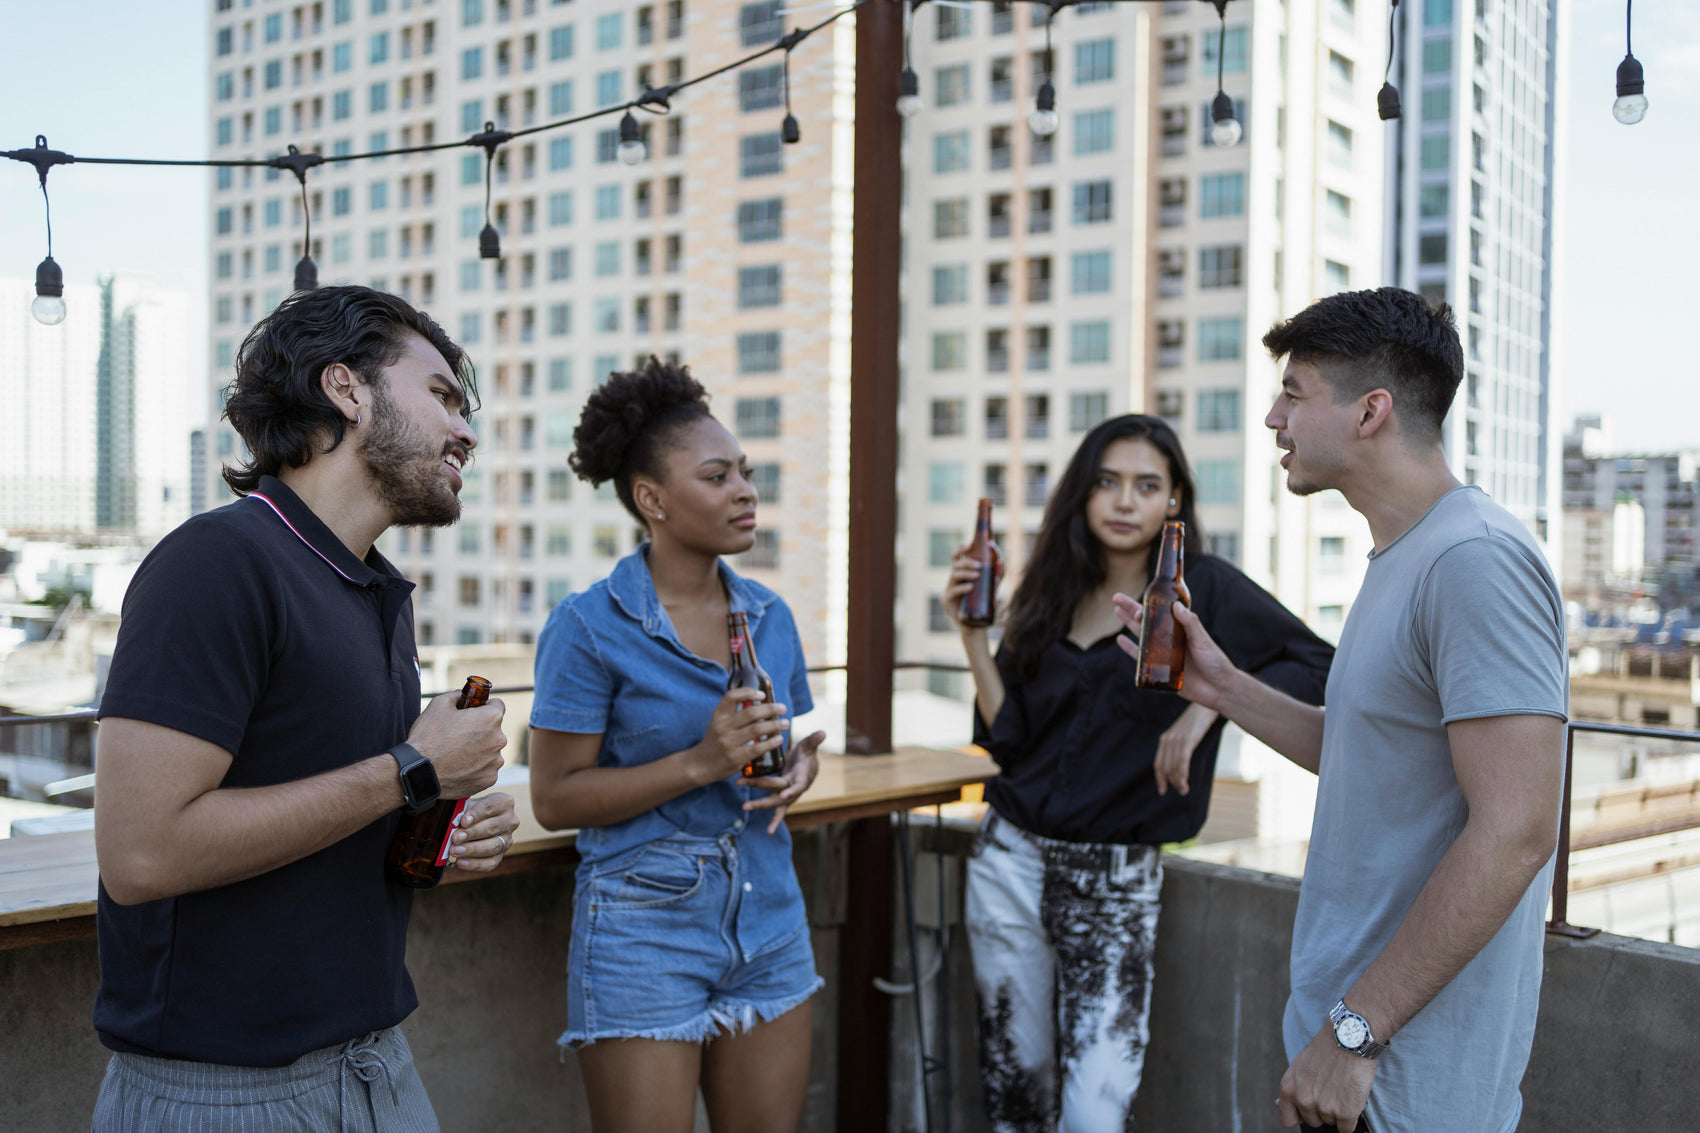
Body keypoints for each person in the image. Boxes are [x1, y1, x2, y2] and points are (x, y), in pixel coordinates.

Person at [1116, 289, 1567, 1133]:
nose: (1271, 415)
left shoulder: (1476, 561)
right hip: (1344, 1056)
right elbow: (1367, 753)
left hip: (1401, 1080)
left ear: (1370, 411)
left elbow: (1517, 830)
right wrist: (1219, 686)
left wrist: (1357, 1032)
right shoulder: (1402, 554)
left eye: (1294, 390)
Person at [91, 285, 519, 1132]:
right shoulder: (216, 561)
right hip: (225, 1096)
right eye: (440, 394)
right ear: (347, 389)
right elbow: (140, 853)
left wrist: (433, 826)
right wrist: (411, 769)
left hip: (374, 1066)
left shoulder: (368, 589)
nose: (466, 429)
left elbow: (334, 806)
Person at [943, 414, 1334, 1131]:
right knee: (1013, 1091)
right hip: (1009, 860)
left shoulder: (1202, 588)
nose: (1125, 501)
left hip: (1115, 878)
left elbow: (1316, 664)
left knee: (1095, 1108)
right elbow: (1009, 739)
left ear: (1175, 500)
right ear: (1082, 496)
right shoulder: (1051, 590)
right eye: (1107, 483)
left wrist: (1206, 710)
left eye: (1147, 485)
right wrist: (973, 637)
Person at [528, 359, 828, 1133]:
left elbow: (770, 749)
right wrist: (701, 761)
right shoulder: (589, 625)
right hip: (641, 930)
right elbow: (555, 797)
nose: (746, 490)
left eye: (747, 473)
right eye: (718, 475)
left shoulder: (770, 617)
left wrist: (796, 765)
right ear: (651, 499)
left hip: (770, 916)